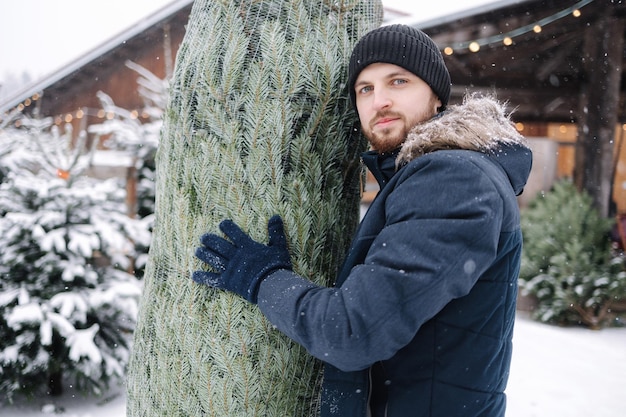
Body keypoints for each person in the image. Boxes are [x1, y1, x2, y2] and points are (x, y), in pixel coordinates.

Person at [193, 24, 532, 417]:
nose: (380, 101)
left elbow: (352, 332)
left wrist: (264, 279)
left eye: (398, 81)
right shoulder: (438, 173)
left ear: (436, 96)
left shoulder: (453, 178)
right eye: (365, 89)